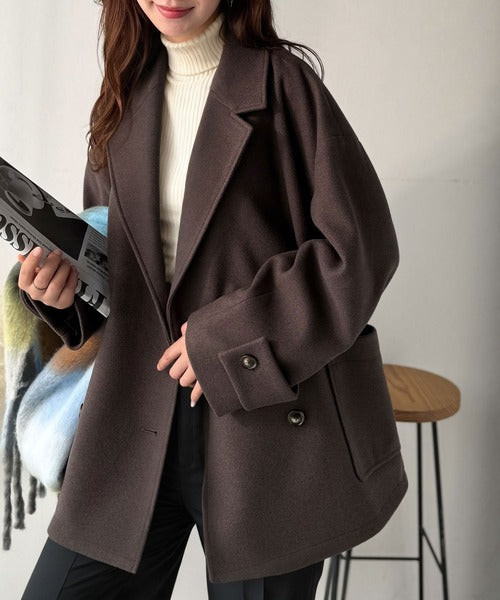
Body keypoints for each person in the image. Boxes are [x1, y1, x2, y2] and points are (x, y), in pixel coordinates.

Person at [16, 0, 408, 598]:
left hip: (265, 432)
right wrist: (63, 296)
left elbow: (359, 250)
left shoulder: (283, 86)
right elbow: (121, 273)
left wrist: (225, 340)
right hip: (134, 420)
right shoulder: (122, 98)